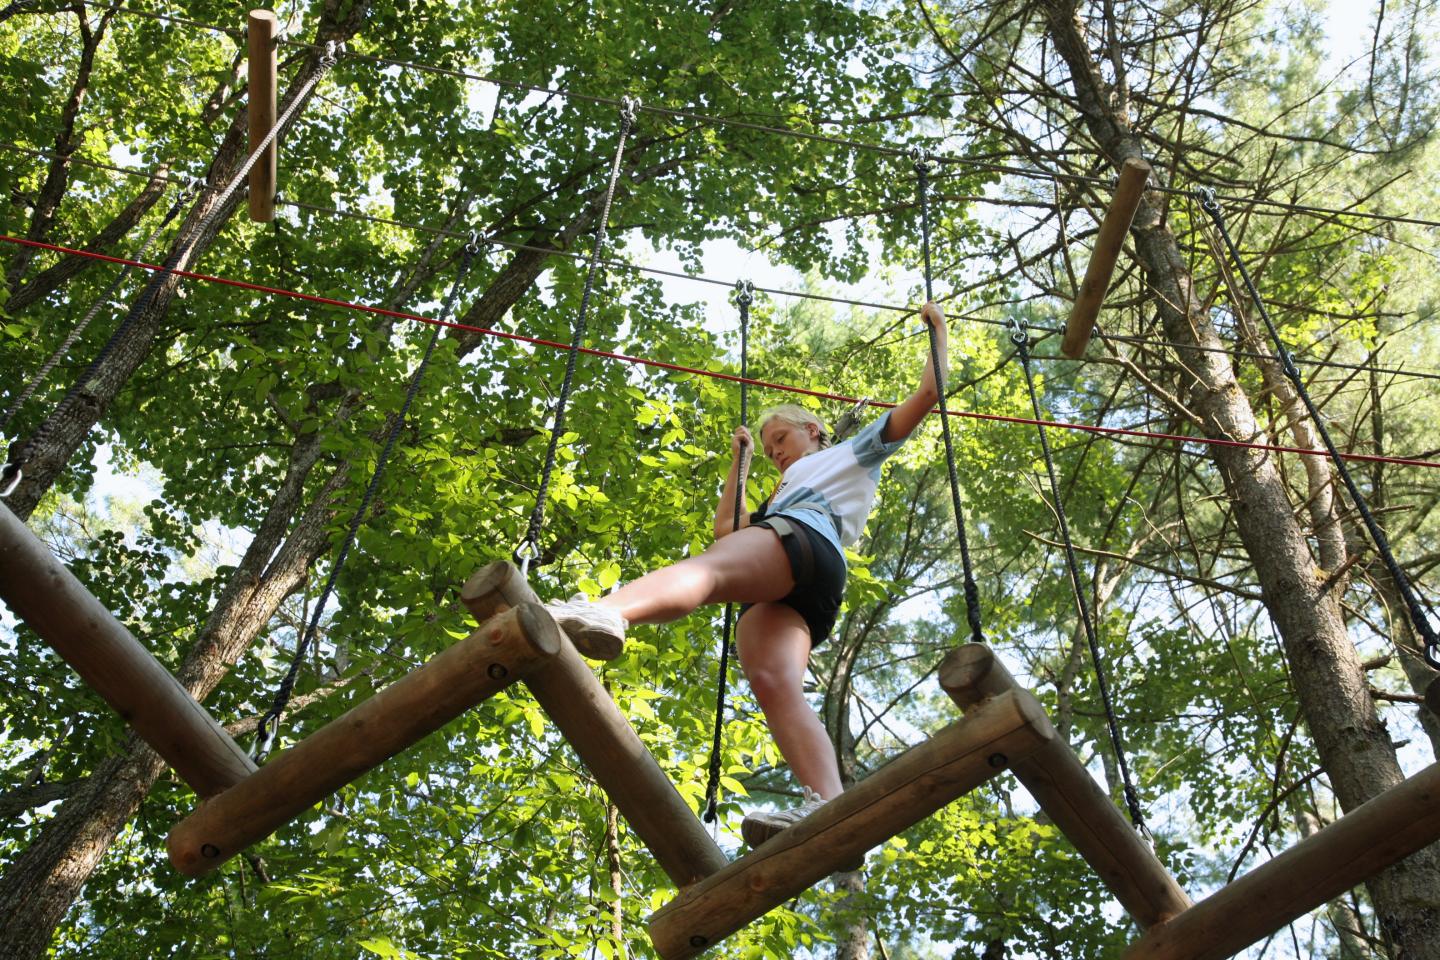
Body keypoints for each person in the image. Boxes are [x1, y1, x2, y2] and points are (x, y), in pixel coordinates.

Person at [548, 301, 948, 846]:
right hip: (813, 582)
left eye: (778, 441)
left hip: (802, 540)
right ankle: (830, 807)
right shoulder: (791, 483)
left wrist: (939, 332)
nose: (775, 454)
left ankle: (607, 610)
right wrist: (742, 461)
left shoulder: (848, 454)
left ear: (812, 430)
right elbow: (730, 527)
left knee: (707, 573)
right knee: (774, 681)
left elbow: (929, 393)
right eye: (768, 450)